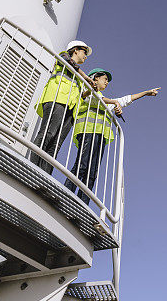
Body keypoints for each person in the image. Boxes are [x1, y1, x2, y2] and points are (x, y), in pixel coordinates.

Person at [65, 69, 160, 204]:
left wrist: (145, 93)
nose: (107, 82)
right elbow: (99, 98)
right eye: (105, 79)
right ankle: (66, 193)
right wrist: (114, 103)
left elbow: (125, 99)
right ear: (95, 78)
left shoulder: (106, 102)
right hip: (88, 132)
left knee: (92, 172)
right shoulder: (88, 91)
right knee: (82, 165)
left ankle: (81, 203)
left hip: (100, 137)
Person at [30, 39, 94, 174]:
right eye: (84, 51)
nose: (86, 56)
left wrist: (89, 90)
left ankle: (44, 175)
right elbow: (68, 62)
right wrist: (87, 78)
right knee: (48, 134)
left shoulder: (79, 77)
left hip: (71, 109)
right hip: (57, 99)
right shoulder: (63, 56)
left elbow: (80, 95)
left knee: (56, 145)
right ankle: (31, 168)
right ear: (75, 50)